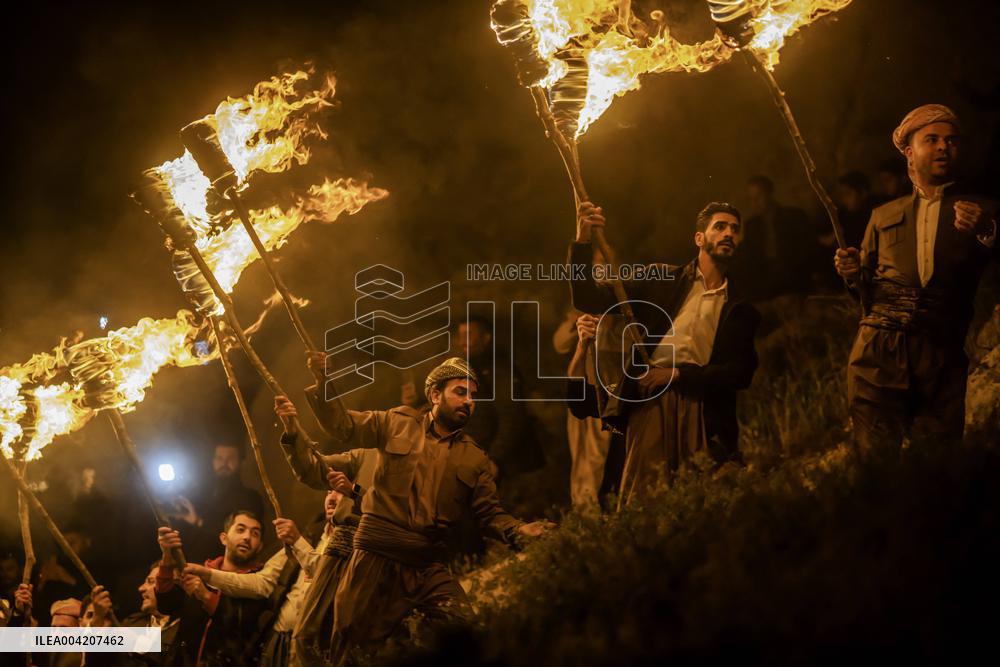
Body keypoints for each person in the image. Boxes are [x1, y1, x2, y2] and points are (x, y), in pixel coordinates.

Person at [281, 356, 551, 663]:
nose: (469, 401)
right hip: (375, 554)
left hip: (425, 563)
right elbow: (343, 426)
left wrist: (518, 529)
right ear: (435, 395)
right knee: (353, 650)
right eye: (460, 392)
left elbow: (489, 514)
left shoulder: (474, 459)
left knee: (463, 625)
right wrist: (325, 382)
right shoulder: (395, 423)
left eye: (473, 395)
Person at [570, 201, 760, 503]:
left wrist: (675, 374)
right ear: (699, 238)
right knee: (645, 499)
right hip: (651, 403)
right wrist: (582, 241)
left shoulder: (739, 306)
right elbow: (589, 297)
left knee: (702, 501)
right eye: (720, 227)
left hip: (702, 408)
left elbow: (741, 372)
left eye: (735, 230)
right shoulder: (662, 279)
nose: (729, 234)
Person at [834, 104, 998, 452]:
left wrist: (987, 230)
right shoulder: (882, 215)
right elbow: (864, 294)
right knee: (876, 465)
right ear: (909, 152)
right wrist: (851, 275)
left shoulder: (982, 209)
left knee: (936, 464)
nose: (943, 147)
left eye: (951, 141)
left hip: (940, 354)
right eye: (932, 139)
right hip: (877, 354)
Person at [275, 374, 379, 666]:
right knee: (308, 635)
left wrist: (356, 491)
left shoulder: (424, 467)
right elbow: (314, 468)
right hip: (345, 548)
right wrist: (293, 428)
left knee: (357, 638)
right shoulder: (365, 456)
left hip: (383, 552)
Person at [155, 510, 266, 665]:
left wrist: (206, 596)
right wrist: (167, 558)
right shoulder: (201, 571)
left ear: (260, 547)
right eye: (240, 530)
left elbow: (245, 624)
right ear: (224, 538)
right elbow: (167, 605)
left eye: (255, 534)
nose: (247, 537)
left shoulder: (261, 584)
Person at [169, 442, 266, 563]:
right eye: (219, 458)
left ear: (241, 462)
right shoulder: (200, 492)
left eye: (230, 458)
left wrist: (198, 521)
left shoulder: (250, 498)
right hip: (188, 562)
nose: (224, 463)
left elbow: (244, 535)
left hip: (223, 568)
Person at [739, 175, 815, 298]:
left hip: (793, 278)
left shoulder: (794, 217)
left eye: (759, 196)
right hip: (765, 281)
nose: (755, 202)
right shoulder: (751, 226)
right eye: (751, 198)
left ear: (770, 194)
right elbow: (751, 258)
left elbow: (805, 250)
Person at [834, 170, 875, 249]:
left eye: (848, 193)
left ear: (863, 193)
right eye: (842, 195)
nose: (844, 200)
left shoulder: (874, 217)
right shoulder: (843, 215)